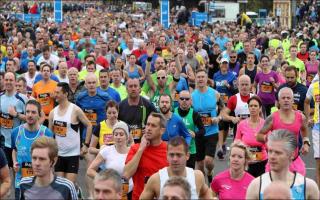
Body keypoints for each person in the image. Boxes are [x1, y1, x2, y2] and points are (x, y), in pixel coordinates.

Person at [246, 129, 319, 200]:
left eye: (278, 152)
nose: (272, 156)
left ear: (292, 154)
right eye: (270, 151)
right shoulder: (256, 186)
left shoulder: (308, 186)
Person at [256, 87, 309, 175]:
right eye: (283, 98)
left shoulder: (300, 117)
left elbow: (304, 130)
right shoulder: (272, 118)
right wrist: (269, 138)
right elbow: (259, 136)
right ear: (279, 101)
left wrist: (306, 143)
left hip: (294, 162)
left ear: (292, 101)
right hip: (276, 163)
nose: (286, 100)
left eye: (288, 98)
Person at [140, 136, 212, 199]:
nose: (175, 159)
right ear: (167, 155)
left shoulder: (197, 176)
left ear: (187, 155)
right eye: (171, 155)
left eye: (179, 155)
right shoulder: (156, 179)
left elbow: (205, 192)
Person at [49, 82, 92, 183]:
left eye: (58, 92)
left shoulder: (75, 110)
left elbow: (89, 125)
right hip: (59, 154)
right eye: (55, 92)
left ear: (66, 94)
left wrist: (85, 145)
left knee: (69, 185)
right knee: (61, 186)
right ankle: (76, 191)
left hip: (73, 154)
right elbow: (50, 135)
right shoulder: (52, 112)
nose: (55, 95)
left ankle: (76, 191)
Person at [123, 113, 169, 200]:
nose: (148, 128)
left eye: (153, 126)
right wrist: (141, 149)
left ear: (162, 130)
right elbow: (126, 175)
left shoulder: (169, 150)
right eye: (148, 124)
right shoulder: (136, 148)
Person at [87, 121, 133, 199]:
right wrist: (105, 179)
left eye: (121, 134)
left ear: (127, 137)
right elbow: (90, 170)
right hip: (111, 193)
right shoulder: (106, 151)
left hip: (130, 192)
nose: (118, 137)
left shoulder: (133, 152)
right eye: (116, 134)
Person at [191, 69, 222, 183]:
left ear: (206, 78)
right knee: (199, 164)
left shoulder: (215, 93)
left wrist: (218, 118)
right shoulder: (192, 96)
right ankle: (203, 185)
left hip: (212, 131)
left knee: (208, 161)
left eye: (202, 77)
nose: (200, 79)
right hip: (199, 132)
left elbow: (223, 110)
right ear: (195, 79)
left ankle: (209, 172)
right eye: (198, 77)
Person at [0, 71, 28, 168]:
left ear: (15, 82)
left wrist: (16, 114)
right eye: (6, 79)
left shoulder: (22, 99)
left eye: (11, 80)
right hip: (2, 142)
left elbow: (31, 118)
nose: (8, 82)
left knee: (16, 171)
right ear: (3, 81)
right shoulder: (1, 97)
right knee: (3, 173)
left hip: (17, 142)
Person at [235, 96, 267, 177]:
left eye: (255, 106)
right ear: (248, 108)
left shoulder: (265, 124)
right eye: (251, 106)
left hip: (262, 162)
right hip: (247, 163)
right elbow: (237, 143)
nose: (253, 108)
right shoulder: (242, 124)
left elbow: (270, 143)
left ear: (260, 109)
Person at [118, 78, 157, 143]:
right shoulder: (120, 106)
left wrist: (149, 128)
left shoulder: (147, 104)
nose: (133, 89)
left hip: (143, 142)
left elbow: (157, 121)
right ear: (126, 89)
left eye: (135, 86)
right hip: (125, 143)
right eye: (130, 86)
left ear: (140, 89)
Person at [174, 90, 205, 169]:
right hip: (175, 148)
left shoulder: (194, 114)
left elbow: (203, 130)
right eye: (182, 99)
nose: (184, 101)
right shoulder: (173, 112)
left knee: (189, 175)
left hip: (190, 150)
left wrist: (195, 134)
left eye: (187, 99)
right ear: (178, 100)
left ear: (191, 101)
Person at [304, 64, 320, 189]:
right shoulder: (314, 87)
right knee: (319, 163)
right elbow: (307, 102)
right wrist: (308, 117)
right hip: (317, 128)